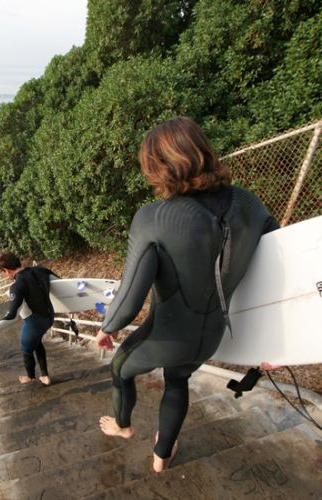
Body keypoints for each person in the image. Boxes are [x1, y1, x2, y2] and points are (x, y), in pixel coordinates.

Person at [96, 117, 279, 473]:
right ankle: (161, 457)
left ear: (158, 166)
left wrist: (107, 327)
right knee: (177, 380)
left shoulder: (155, 218)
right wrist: (278, 343)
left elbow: (130, 299)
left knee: (121, 368)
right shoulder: (249, 203)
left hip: (166, 336)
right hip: (211, 336)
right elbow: (281, 267)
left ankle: (123, 426)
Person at [0, 252, 58, 386]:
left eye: (3, 272)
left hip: (34, 323)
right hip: (49, 317)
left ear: (6, 270)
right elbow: (60, 284)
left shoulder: (17, 286)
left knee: (26, 348)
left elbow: (11, 317)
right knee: (37, 342)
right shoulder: (41, 270)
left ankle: (30, 377)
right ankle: (45, 376)